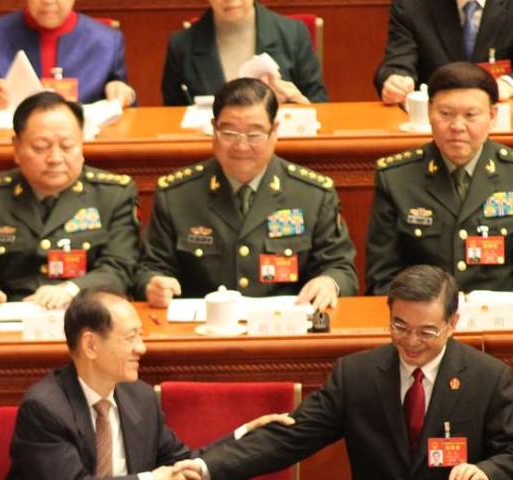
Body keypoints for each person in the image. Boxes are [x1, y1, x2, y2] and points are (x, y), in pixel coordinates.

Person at [183, 266, 513, 480]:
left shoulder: (488, 377)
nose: (411, 340)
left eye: (427, 330)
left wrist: (487, 471)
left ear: (452, 322)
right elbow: (287, 438)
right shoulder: (357, 375)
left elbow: (509, 454)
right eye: (399, 326)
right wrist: (201, 469)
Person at [0, 289, 291, 480]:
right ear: (90, 345)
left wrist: (245, 436)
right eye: (130, 338)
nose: (142, 348)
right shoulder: (45, 407)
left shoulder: (139, 398)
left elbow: (182, 463)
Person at [135, 78, 357, 311]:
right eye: (229, 133)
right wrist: (154, 285)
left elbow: (340, 267)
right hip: (203, 334)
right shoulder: (177, 195)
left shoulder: (312, 194)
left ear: (275, 131)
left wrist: (329, 282)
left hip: (284, 332)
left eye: (254, 134)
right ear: (214, 129)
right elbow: (149, 269)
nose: (241, 147)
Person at [0, 92, 140, 312]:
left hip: (87, 313)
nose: (55, 158)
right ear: (16, 148)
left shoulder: (113, 194)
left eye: (67, 146)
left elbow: (121, 267)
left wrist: (71, 290)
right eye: (40, 147)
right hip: (8, 314)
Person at [366, 62, 513, 294]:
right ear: (429, 112)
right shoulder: (396, 178)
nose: (457, 126)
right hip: (423, 324)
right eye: (446, 114)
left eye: (471, 115)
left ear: (492, 116)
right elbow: (382, 278)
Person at [0, 0, 135, 109]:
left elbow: (125, 100)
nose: (48, 1)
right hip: (10, 145)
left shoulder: (107, 41)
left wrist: (124, 94)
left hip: (87, 147)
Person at [162, 0, 327, 106]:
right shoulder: (181, 45)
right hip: (207, 151)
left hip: (281, 148)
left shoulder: (294, 34)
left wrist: (301, 103)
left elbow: (320, 103)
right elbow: (170, 117)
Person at [375, 0, 513, 105]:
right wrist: (396, 82)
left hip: (501, 117)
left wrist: (508, 83)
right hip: (433, 123)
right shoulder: (412, 5)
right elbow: (398, 61)